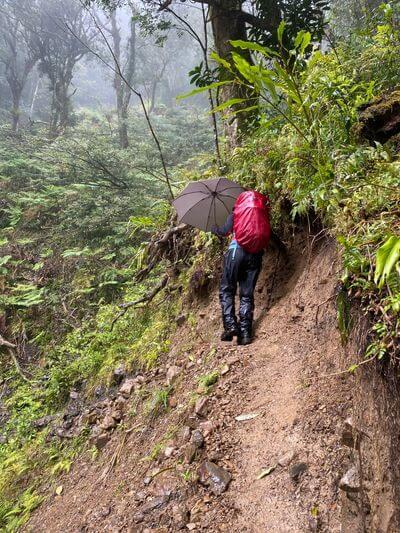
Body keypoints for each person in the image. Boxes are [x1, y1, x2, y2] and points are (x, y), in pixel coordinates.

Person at [212, 190, 270, 346]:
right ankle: (245, 334)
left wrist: (214, 229)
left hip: (236, 252)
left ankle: (230, 325)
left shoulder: (236, 213)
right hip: (255, 254)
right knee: (246, 294)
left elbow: (224, 231)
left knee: (227, 289)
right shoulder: (261, 213)